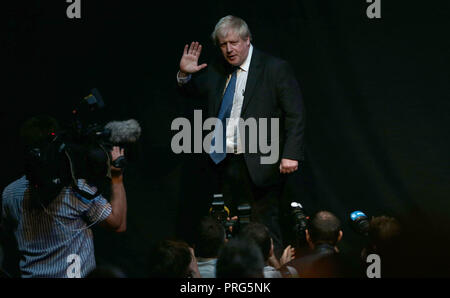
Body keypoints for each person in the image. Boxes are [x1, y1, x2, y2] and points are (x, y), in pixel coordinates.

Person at [177, 15, 305, 257]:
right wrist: (185, 76)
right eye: (223, 44)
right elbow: (193, 91)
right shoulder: (217, 69)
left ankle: (271, 274)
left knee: (263, 227)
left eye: (234, 42)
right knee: (226, 227)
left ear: (248, 40)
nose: (229, 49)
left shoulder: (274, 68)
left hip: (260, 164)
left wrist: (290, 154)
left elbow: (295, 114)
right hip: (223, 162)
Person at [0, 115, 127, 278]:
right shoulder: (74, 189)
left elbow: (6, 232)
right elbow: (118, 223)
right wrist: (117, 178)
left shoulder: (10, 193)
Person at [283, 211, 347, 278]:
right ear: (340, 236)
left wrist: (285, 269)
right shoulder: (355, 265)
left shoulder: (293, 269)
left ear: (307, 235)